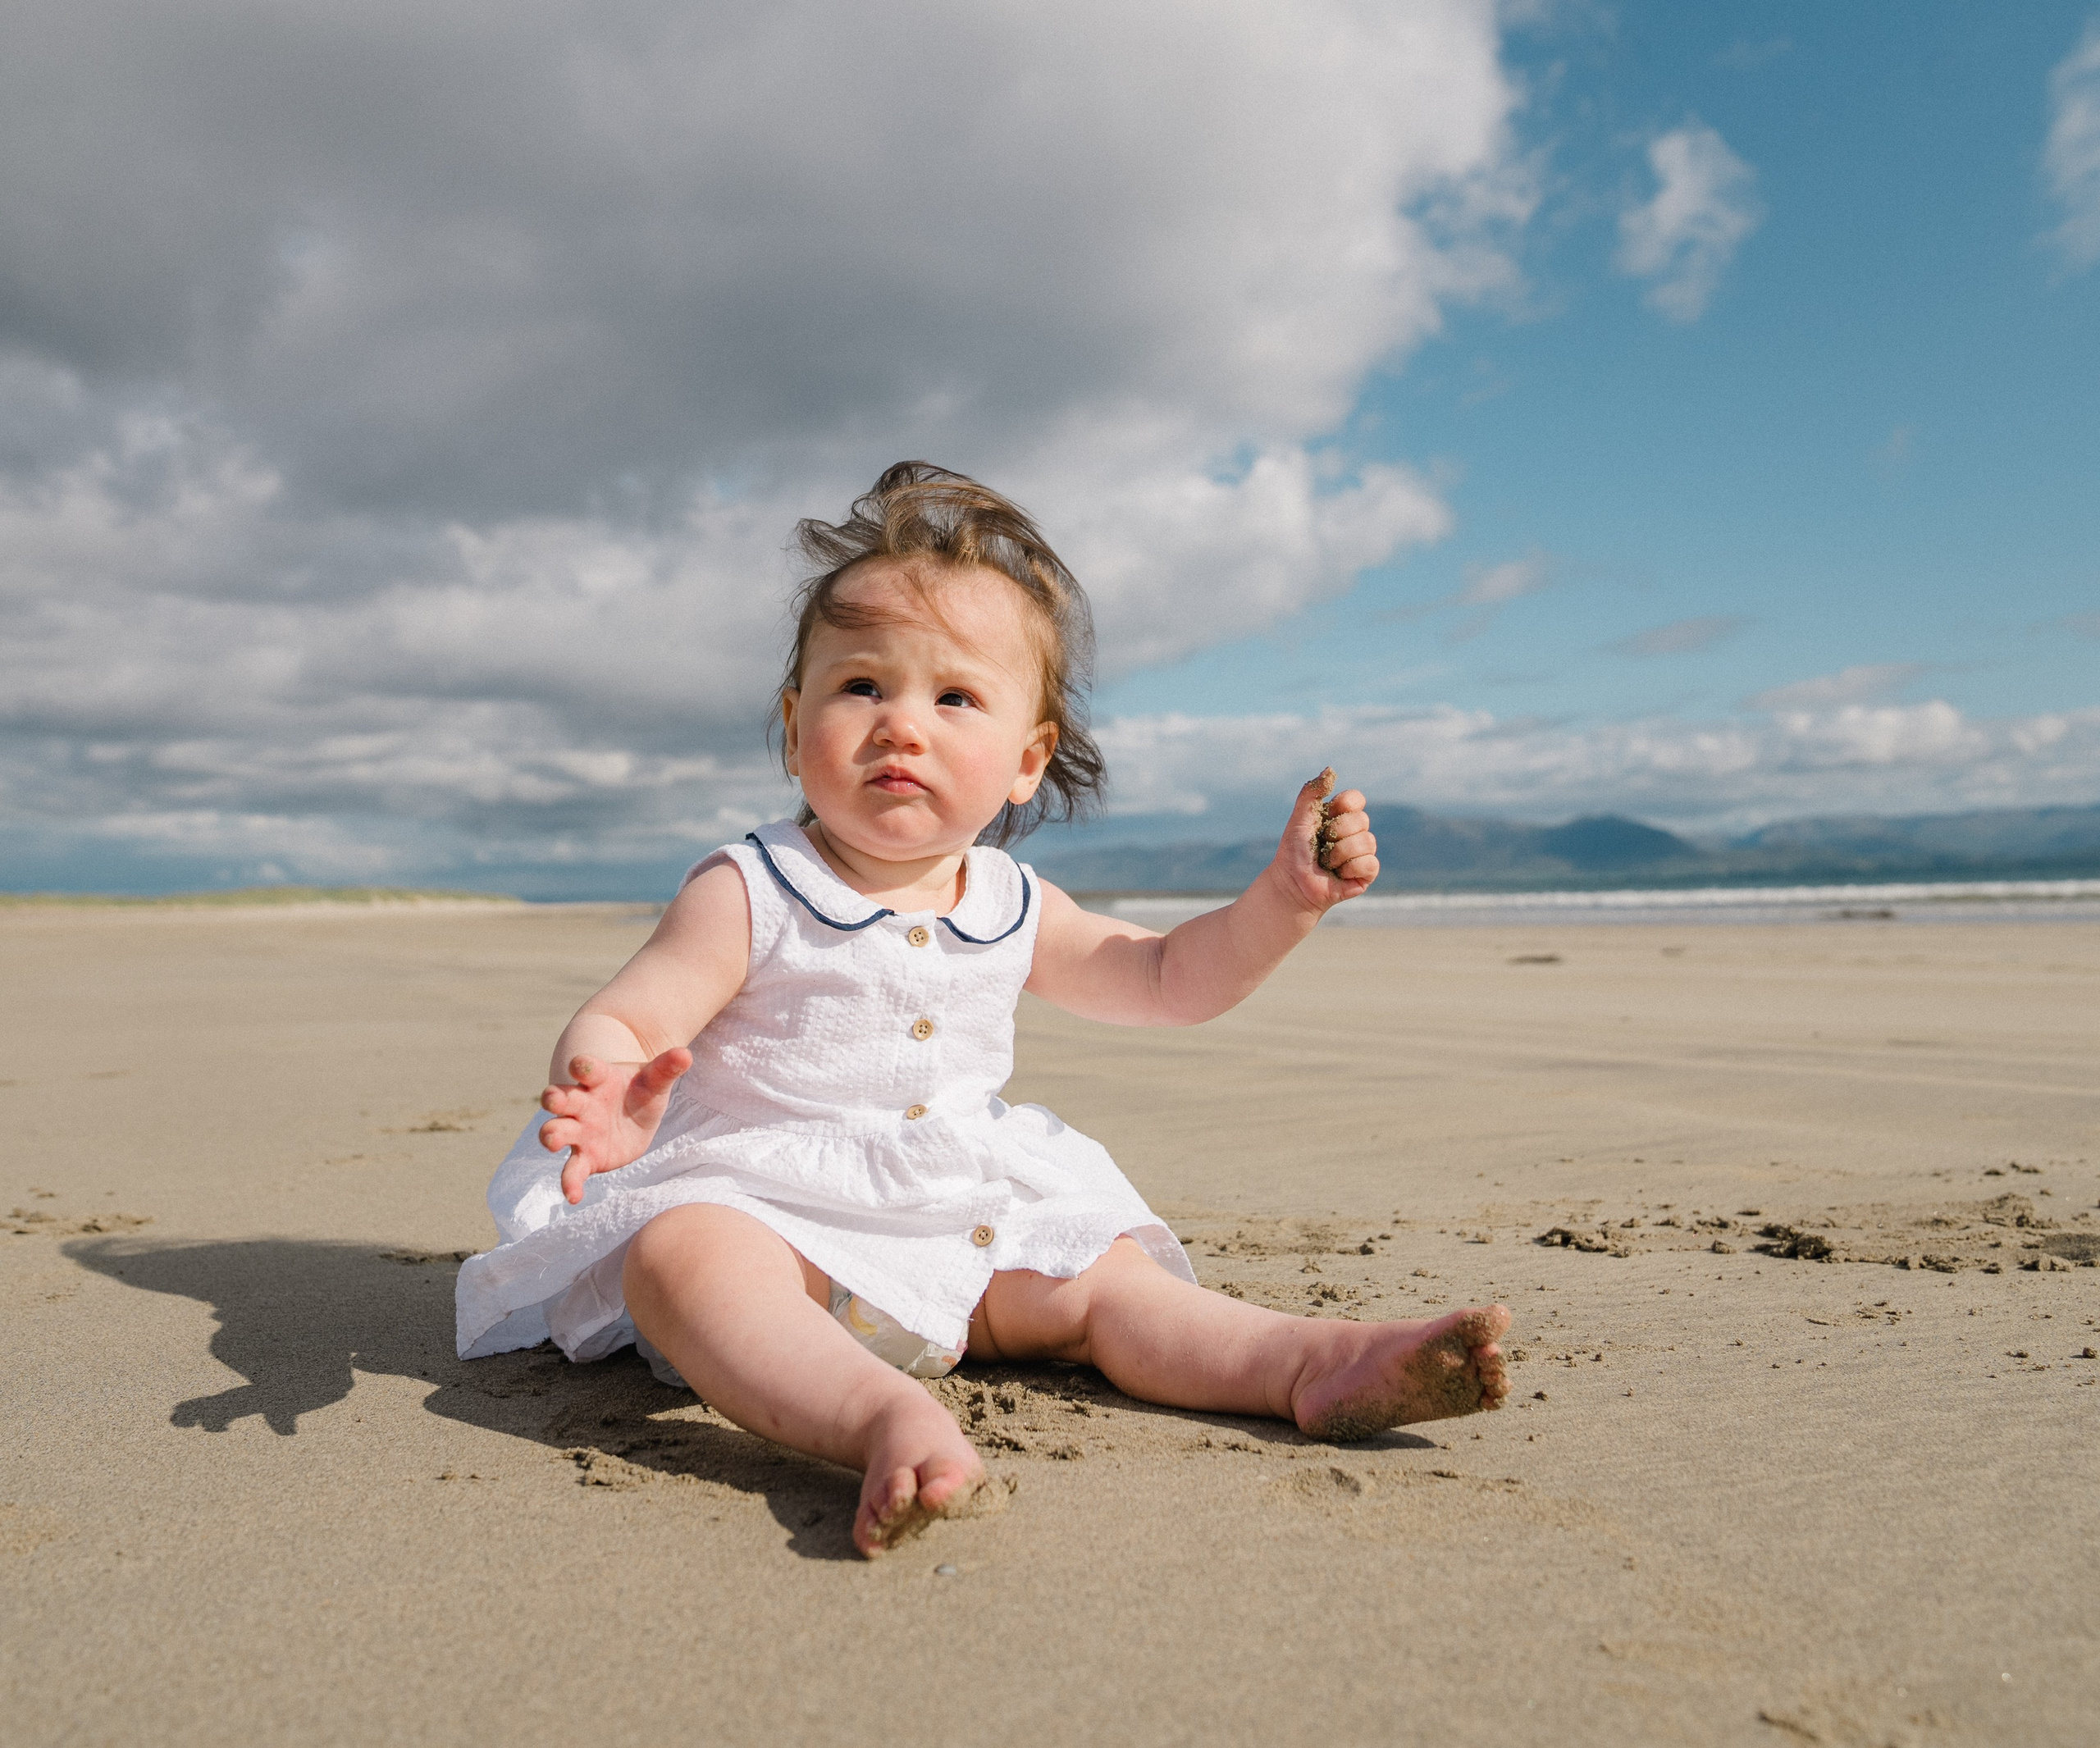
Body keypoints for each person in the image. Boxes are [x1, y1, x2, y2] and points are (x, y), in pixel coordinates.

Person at [454, 462, 1510, 1555]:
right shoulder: (751, 887)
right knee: (683, 1259)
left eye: (953, 697)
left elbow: (1162, 978)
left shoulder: (1011, 902)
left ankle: (1307, 1362)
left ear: (1026, 758)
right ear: (792, 724)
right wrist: (613, 1082)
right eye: (861, 687)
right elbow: (631, 1016)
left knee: (1107, 1283)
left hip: (956, 1220)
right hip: (772, 1212)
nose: (901, 725)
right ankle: (881, 1418)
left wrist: (1284, 904)